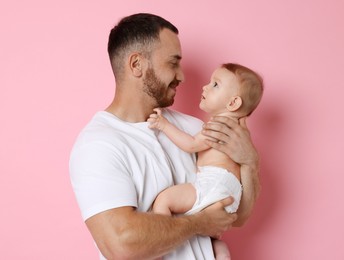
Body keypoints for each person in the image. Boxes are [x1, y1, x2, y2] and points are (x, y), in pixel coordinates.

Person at [69, 13, 261, 260]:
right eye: (173, 63)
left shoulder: (194, 128)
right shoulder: (98, 145)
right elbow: (121, 246)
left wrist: (250, 162)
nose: (182, 75)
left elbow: (236, 216)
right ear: (137, 65)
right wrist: (199, 222)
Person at [148, 63, 263, 259]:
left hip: (214, 183)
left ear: (233, 104)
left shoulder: (219, 126)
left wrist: (163, 125)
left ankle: (161, 250)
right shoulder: (241, 132)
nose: (205, 87)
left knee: (164, 200)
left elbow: (191, 144)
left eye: (215, 85)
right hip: (231, 193)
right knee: (211, 237)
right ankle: (221, 253)